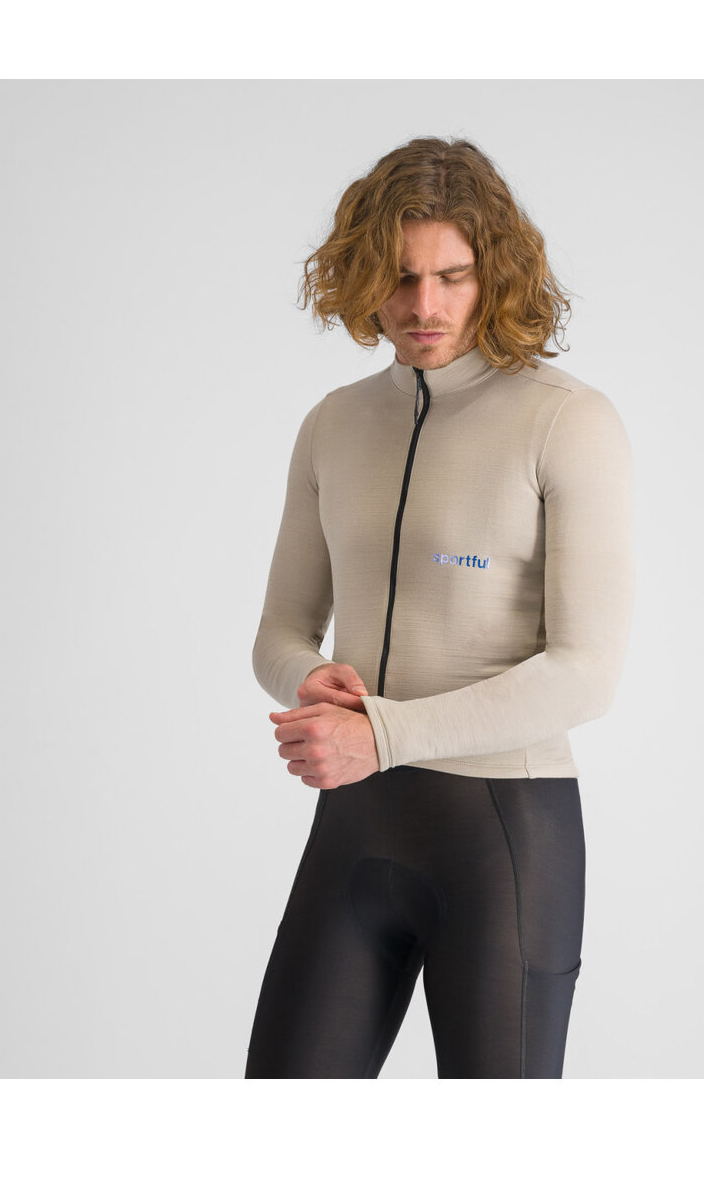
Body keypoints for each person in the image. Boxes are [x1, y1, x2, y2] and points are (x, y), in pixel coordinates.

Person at [243, 136, 635, 1079]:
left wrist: (382, 734)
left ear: (493, 272)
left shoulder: (566, 420)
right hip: (356, 831)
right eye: (400, 276)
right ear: (362, 275)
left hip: (505, 842)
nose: (424, 305)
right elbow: (280, 633)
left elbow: (586, 674)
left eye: (452, 276)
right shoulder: (333, 424)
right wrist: (309, 679)